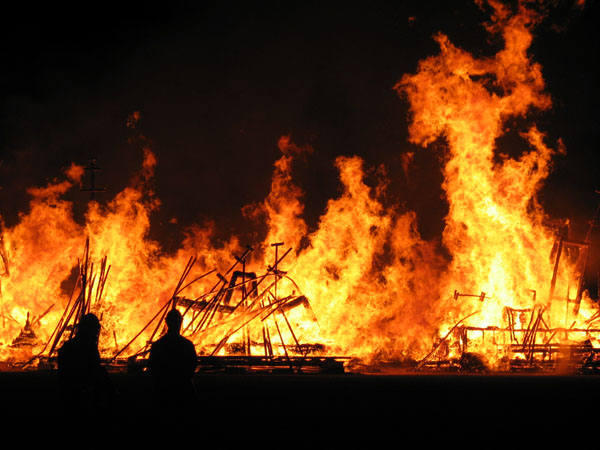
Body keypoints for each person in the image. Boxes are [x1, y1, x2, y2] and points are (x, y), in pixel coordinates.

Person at [57, 313, 114, 415]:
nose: (96, 333)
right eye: (95, 329)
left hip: (70, 393)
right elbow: (92, 371)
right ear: (90, 329)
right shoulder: (88, 348)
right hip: (81, 394)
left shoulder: (68, 346)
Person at [148, 308, 198, 414]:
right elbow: (192, 366)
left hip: (162, 392)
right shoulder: (187, 345)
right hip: (183, 391)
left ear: (166, 322)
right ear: (181, 322)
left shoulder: (158, 345)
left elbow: (152, 368)